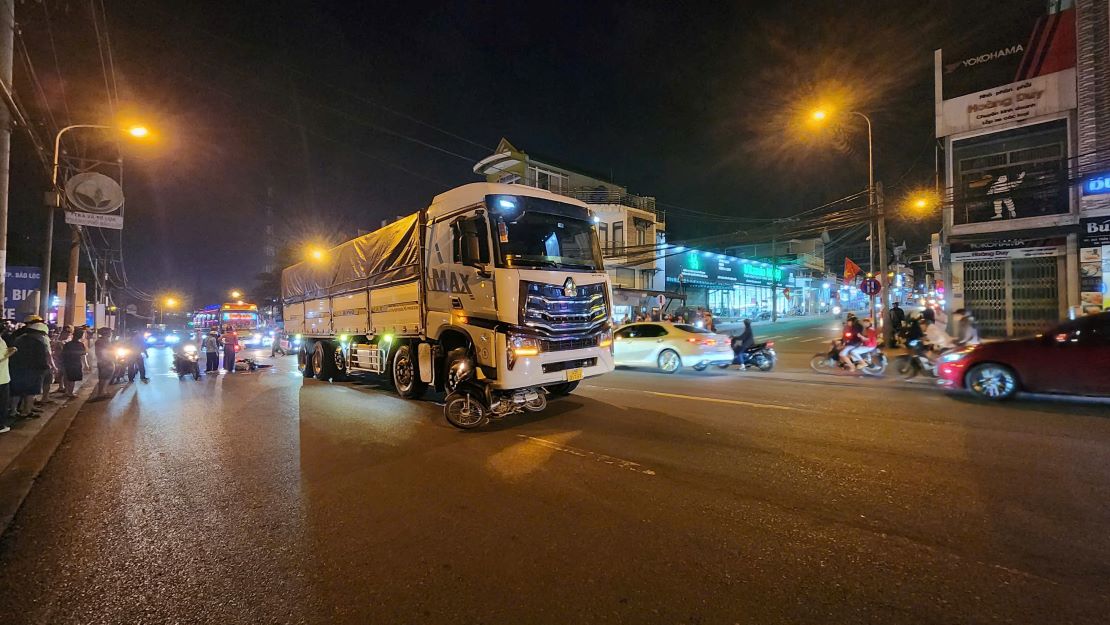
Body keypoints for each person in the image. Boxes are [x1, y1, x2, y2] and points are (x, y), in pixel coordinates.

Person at [10, 320, 51, 418]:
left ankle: (13, 410)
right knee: (30, 391)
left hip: (17, 369)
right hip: (33, 370)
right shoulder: (39, 343)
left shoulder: (18, 339)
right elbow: (42, 358)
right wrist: (45, 368)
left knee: (16, 391)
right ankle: (26, 411)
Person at [61, 328, 87, 398]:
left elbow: (63, 354)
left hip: (67, 363)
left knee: (67, 377)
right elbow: (83, 356)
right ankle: (70, 393)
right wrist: (86, 365)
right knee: (72, 379)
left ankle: (66, 391)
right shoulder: (80, 345)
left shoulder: (68, 344)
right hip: (76, 363)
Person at [0, 332, 15, 433]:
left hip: (3, 377)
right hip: (1, 378)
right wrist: (10, 352)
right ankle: (1, 425)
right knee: (2, 403)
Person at [93, 327, 115, 399]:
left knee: (104, 377)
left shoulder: (102, 341)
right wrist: (108, 360)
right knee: (105, 377)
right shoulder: (103, 341)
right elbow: (102, 352)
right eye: (110, 332)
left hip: (103, 361)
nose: (111, 333)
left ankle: (102, 392)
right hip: (106, 361)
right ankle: (101, 393)